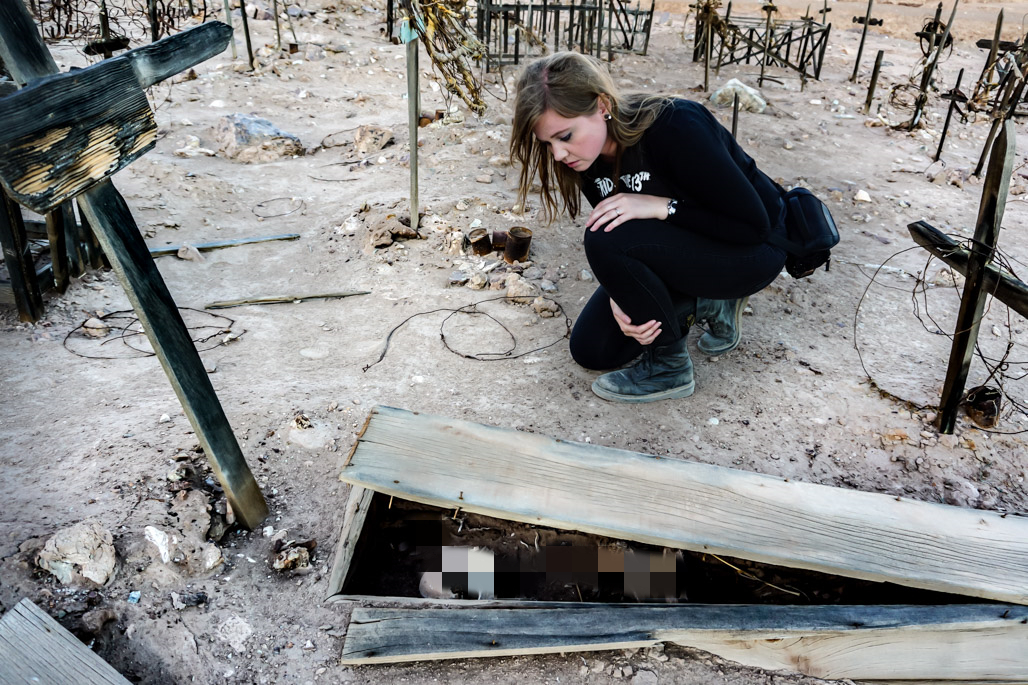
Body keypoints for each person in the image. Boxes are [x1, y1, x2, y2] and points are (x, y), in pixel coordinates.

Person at [509, 51, 789, 403]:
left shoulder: (674, 125)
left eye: (565, 136)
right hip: (685, 253)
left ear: (602, 105)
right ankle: (709, 305)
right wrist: (619, 293)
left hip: (750, 253)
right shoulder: (586, 159)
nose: (559, 155)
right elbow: (630, 238)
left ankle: (669, 370)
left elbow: (752, 227)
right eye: (547, 144)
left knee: (602, 236)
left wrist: (661, 207)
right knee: (593, 351)